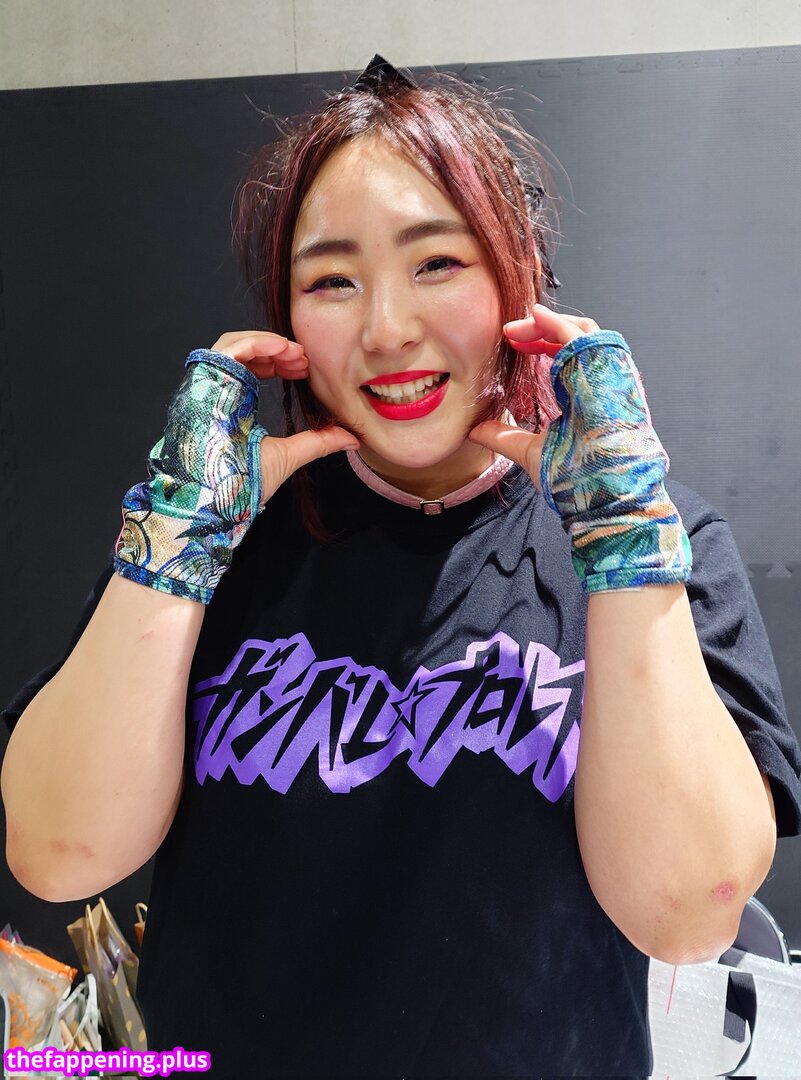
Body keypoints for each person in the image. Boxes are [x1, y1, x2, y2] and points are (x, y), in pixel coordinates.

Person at [3, 54, 801, 1078]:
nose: (386, 330)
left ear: (517, 275)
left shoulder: (657, 543)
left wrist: (621, 535)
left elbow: (687, 914)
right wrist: (175, 535)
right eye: (331, 281)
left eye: (437, 264)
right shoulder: (211, 545)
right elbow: (58, 853)